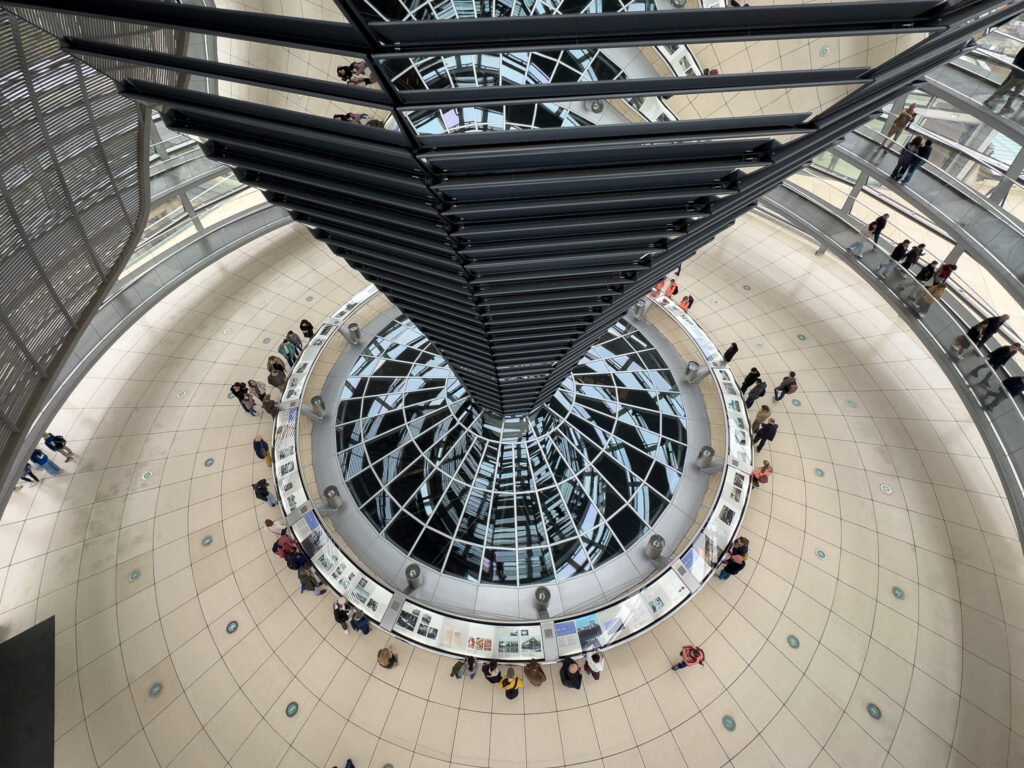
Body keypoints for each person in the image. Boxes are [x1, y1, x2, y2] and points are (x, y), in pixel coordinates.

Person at [984, 46, 1024, 112]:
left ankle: (1007, 106)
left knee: (1017, 91)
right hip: (1020, 73)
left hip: (1020, 72)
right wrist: (1015, 69)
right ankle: (988, 100)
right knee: (1007, 88)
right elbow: (1019, 58)